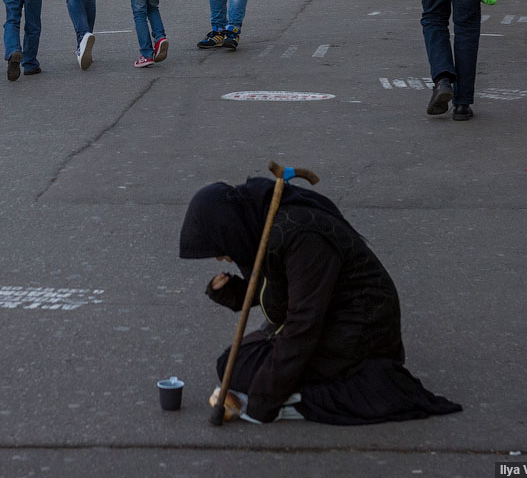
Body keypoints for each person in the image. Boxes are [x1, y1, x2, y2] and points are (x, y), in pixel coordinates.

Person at [179, 176, 463, 425]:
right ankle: (283, 390)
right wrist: (232, 293)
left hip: (358, 332)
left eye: (218, 247)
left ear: (229, 228)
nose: (220, 256)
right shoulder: (260, 223)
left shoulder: (302, 236)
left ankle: (296, 403)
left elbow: (304, 322)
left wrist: (262, 402)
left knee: (245, 372)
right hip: (330, 319)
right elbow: (279, 290)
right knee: (232, 363)